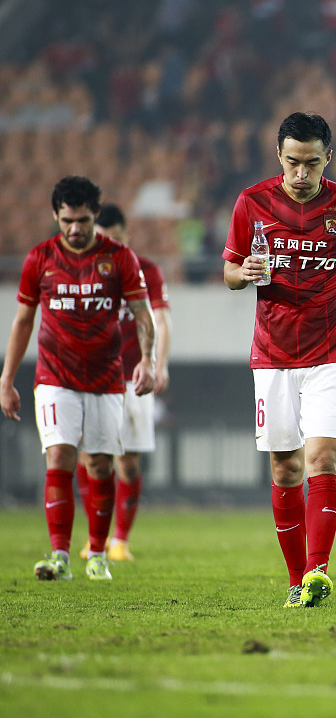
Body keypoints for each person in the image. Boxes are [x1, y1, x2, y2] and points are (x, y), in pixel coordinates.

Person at [222, 112, 336, 608]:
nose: (302, 174)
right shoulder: (252, 202)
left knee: (322, 458)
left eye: (313, 164)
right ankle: (296, 579)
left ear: (329, 158)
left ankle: (317, 571)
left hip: (331, 351)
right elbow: (229, 272)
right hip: (273, 353)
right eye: (293, 163)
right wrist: (243, 272)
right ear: (279, 156)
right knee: (285, 470)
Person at [1, 176, 155, 583]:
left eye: (83, 220)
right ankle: (59, 556)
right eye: (67, 220)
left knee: (101, 464)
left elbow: (143, 314)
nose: (74, 229)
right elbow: (22, 321)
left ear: (95, 215)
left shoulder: (119, 258)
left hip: (106, 378)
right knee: (59, 457)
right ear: (56, 215)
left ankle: (98, 554)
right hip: (55, 376)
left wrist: (148, 360)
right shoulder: (40, 259)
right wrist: (7, 378)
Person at [72, 205, 170, 563]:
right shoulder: (81, 271)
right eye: (104, 239)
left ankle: (120, 540)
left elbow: (161, 320)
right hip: (93, 378)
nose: (110, 245)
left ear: (127, 235)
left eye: (115, 238)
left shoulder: (146, 270)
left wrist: (159, 364)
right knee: (89, 458)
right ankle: (94, 537)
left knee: (127, 462)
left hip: (133, 378)